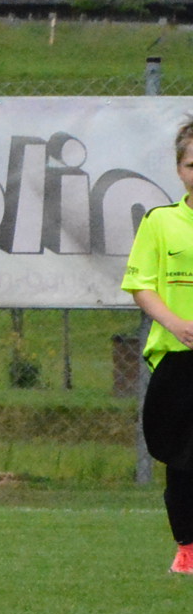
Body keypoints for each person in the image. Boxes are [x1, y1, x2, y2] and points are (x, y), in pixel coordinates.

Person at [122, 118, 193, 573]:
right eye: (192, 164)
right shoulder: (161, 222)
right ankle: (188, 546)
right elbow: (140, 284)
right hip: (179, 358)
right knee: (183, 456)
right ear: (179, 169)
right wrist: (176, 324)